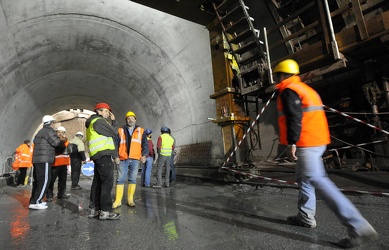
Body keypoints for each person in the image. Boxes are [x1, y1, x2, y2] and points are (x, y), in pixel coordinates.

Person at [273, 59, 377, 248]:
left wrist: (292, 143)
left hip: (307, 142)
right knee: (305, 178)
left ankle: (357, 225)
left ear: (282, 75)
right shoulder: (305, 89)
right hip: (318, 141)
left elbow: (295, 118)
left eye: (277, 75)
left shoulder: (289, 91)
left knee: (318, 180)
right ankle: (305, 216)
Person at [86, 102, 120, 220]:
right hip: (103, 154)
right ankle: (106, 211)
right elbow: (114, 132)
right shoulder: (99, 121)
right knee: (107, 183)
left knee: (98, 183)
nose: (108, 113)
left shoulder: (92, 122)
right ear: (98, 111)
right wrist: (114, 121)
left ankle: (94, 209)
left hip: (98, 155)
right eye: (106, 111)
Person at [112, 111, 148, 208]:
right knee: (120, 179)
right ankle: (118, 200)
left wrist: (144, 155)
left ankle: (130, 200)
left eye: (132, 118)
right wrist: (115, 156)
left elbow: (145, 144)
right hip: (123, 158)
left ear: (135, 120)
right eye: (128, 118)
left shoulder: (141, 130)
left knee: (132, 179)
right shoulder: (120, 130)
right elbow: (115, 144)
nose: (130, 120)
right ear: (126, 120)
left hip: (135, 158)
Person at [29, 115, 64, 210]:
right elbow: (56, 143)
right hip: (44, 159)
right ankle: (36, 201)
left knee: (38, 181)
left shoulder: (40, 131)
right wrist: (62, 140)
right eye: (54, 123)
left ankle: (34, 201)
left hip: (38, 160)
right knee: (45, 180)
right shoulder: (49, 131)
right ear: (51, 123)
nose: (54, 125)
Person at [46, 126, 70, 202]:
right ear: (56, 133)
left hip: (64, 164)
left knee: (63, 180)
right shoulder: (54, 141)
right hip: (55, 164)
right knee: (51, 180)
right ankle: (49, 195)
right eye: (59, 132)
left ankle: (61, 194)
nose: (60, 134)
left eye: (62, 132)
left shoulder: (66, 141)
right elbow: (58, 148)